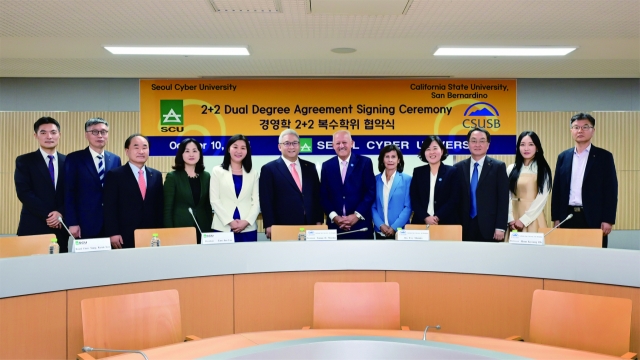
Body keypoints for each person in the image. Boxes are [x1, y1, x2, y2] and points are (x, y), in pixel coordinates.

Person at [551, 113, 618, 248]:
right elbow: (557, 189)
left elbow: (610, 190)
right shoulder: (563, 157)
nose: (580, 130)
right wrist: (556, 218)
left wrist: (608, 219)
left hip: (594, 218)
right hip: (567, 216)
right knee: (567, 257)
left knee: (594, 259)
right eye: (576, 127)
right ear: (571, 131)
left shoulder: (604, 157)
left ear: (593, 130)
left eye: (585, 127)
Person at [15, 117, 68, 252]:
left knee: (58, 269)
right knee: (29, 269)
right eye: (43, 132)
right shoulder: (25, 161)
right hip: (33, 224)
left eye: (53, 132)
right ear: (36, 135)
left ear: (59, 135)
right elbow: (24, 192)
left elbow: (72, 192)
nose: (49, 136)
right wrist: (50, 216)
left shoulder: (68, 161)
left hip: (60, 227)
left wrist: (60, 213)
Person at [259, 129, 323, 239]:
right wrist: (269, 224)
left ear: (299, 145)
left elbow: (316, 196)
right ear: (280, 147)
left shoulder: (310, 167)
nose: (291, 147)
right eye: (287, 143)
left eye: (295, 143)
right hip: (282, 224)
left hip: (310, 223)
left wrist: (318, 220)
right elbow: (266, 200)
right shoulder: (269, 169)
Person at [64, 117, 121, 239]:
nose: (100, 135)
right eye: (95, 132)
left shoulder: (115, 159)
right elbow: (69, 192)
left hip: (109, 225)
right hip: (84, 224)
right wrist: (72, 222)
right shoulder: (74, 159)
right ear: (86, 135)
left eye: (104, 132)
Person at [103, 134, 163, 249]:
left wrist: (160, 231)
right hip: (124, 234)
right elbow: (110, 207)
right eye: (136, 147)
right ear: (127, 151)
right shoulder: (115, 175)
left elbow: (159, 207)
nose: (141, 151)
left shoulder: (156, 175)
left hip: (151, 235)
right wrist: (113, 232)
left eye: (145, 147)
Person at [454, 128, 509, 242]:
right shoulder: (458, 168)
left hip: (490, 227)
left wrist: (500, 227)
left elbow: (503, 199)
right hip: (464, 226)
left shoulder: (498, 167)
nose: (477, 144)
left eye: (482, 141)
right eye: (473, 141)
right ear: (468, 144)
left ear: (488, 144)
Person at [320, 130, 375, 239]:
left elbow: (370, 192)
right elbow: (323, 195)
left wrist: (357, 215)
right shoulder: (326, 166)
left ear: (352, 143)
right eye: (338, 143)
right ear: (333, 146)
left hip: (361, 226)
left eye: (344, 142)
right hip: (336, 227)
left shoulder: (365, 162)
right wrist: (334, 217)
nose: (341, 146)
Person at [210, 134, 260, 242]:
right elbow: (214, 200)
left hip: (247, 228)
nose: (239, 151)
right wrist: (229, 221)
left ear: (247, 151)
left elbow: (256, 202)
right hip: (223, 227)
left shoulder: (253, 174)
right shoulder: (217, 171)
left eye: (243, 148)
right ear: (228, 149)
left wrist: (246, 221)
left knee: (248, 258)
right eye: (235, 147)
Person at [163, 138, 212, 243]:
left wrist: (210, 230)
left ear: (200, 154)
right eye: (187, 151)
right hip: (180, 228)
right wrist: (169, 232)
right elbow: (167, 209)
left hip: (203, 228)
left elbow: (207, 206)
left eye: (195, 151)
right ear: (181, 154)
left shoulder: (206, 176)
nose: (191, 154)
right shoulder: (173, 177)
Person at [507, 131, 553, 233]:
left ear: (537, 148)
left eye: (531, 144)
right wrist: (510, 219)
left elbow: (542, 198)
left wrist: (524, 220)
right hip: (513, 218)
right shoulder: (511, 168)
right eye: (522, 145)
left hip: (533, 217)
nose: (526, 148)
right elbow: (507, 195)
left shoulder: (542, 169)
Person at [410, 135, 459, 226]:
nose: (431, 152)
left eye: (435, 148)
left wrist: (437, 217)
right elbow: (414, 198)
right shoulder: (418, 172)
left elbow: (454, 199)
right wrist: (425, 217)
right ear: (424, 153)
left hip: (445, 222)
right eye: (428, 149)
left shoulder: (452, 171)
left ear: (442, 151)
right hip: (421, 222)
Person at [371, 145, 412, 239]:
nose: (390, 160)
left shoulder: (407, 179)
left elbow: (408, 207)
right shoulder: (375, 180)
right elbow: (372, 206)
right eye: (387, 157)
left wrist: (394, 227)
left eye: (393, 157)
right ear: (382, 160)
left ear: (399, 160)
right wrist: (380, 225)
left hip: (401, 232)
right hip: (380, 231)